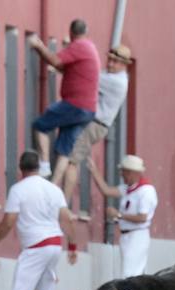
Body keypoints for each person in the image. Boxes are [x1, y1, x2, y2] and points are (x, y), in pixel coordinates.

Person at [0, 151, 78, 290]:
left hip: (36, 246)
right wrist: (72, 246)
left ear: (21, 168)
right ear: (39, 167)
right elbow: (67, 219)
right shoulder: (53, 189)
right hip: (55, 244)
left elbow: (8, 221)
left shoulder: (18, 189)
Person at [62, 43, 133, 205]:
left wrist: (70, 55)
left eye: (115, 62)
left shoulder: (116, 81)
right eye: (110, 60)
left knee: (72, 160)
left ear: (124, 65)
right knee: (70, 157)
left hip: (95, 124)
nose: (110, 64)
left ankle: (63, 203)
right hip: (92, 123)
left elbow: (86, 76)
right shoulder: (114, 77)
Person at [28, 20, 101, 179]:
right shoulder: (90, 47)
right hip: (89, 110)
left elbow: (55, 60)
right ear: (86, 31)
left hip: (76, 105)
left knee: (40, 126)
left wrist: (38, 46)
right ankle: (54, 187)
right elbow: (63, 67)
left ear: (71, 33)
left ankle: (45, 165)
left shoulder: (78, 46)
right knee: (64, 150)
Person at [98, 155, 157, 278]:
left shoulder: (146, 191)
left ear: (131, 173)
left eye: (123, 172)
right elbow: (107, 191)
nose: (121, 174)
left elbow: (142, 217)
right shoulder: (129, 188)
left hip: (137, 235)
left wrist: (119, 215)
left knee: (130, 274)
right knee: (133, 273)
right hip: (128, 235)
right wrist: (94, 171)